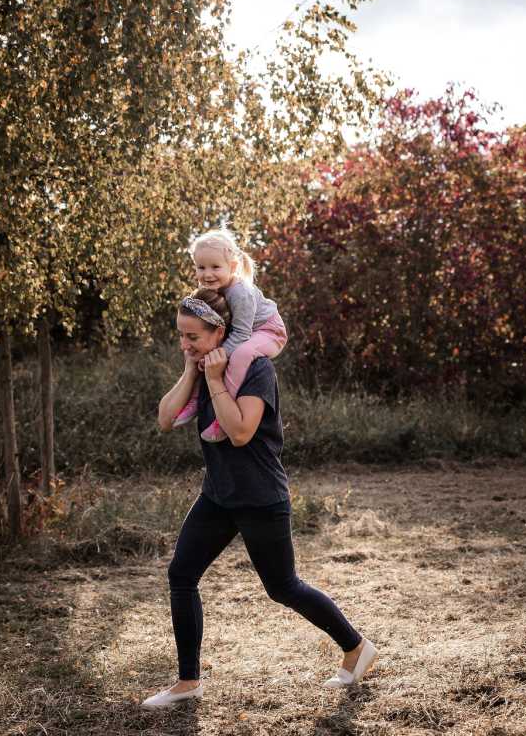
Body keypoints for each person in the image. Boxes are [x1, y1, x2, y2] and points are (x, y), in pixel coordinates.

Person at [142, 287, 377, 709]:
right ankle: (188, 681)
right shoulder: (201, 366)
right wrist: (191, 370)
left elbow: (240, 432)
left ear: (220, 332)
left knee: (283, 587)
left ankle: (357, 648)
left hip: (260, 497)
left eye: (192, 336)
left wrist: (214, 380)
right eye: (181, 335)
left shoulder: (256, 369)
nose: (185, 343)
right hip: (218, 495)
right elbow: (164, 419)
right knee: (182, 575)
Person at [170, 228, 287, 443]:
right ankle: (194, 399)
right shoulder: (211, 287)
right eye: (201, 267)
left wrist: (221, 353)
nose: (207, 274)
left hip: (269, 331)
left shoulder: (240, 293)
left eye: (215, 267)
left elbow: (242, 333)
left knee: (241, 354)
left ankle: (222, 418)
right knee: (204, 351)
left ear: (232, 267)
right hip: (249, 331)